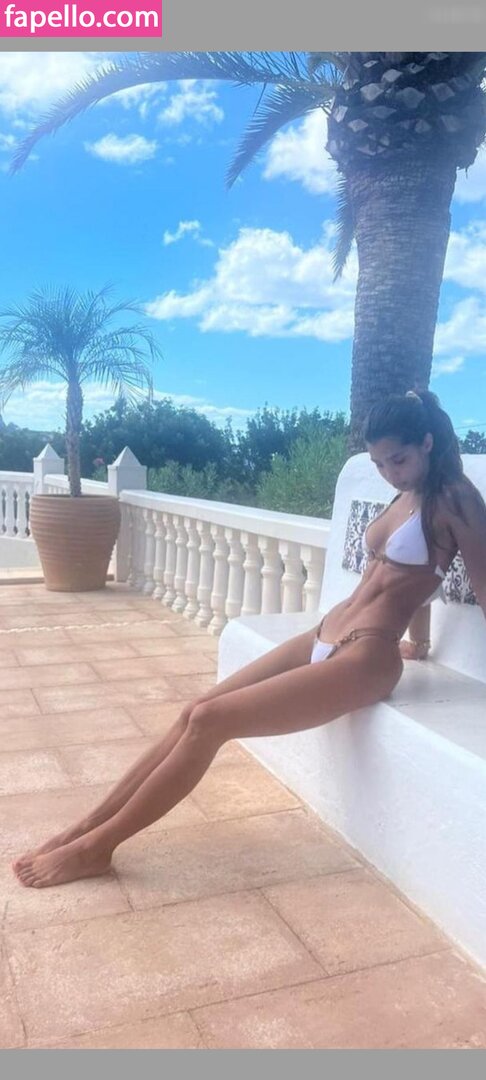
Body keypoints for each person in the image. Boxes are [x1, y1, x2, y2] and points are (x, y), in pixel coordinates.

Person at [13, 389, 486, 889]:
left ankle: (97, 848)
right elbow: (415, 573)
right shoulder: (405, 494)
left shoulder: (458, 498)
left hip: (367, 655)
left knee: (211, 722)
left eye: (398, 459)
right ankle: (86, 826)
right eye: (379, 463)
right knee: (195, 709)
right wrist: (422, 642)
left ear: (428, 443)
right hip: (328, 630)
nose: (390, 472)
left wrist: (408, 640)